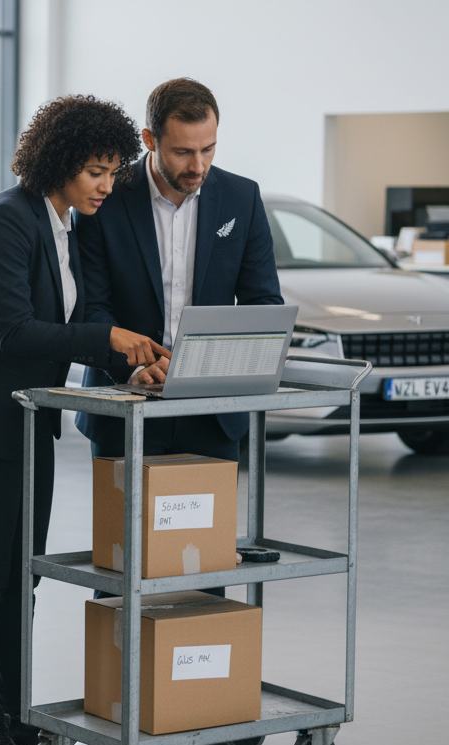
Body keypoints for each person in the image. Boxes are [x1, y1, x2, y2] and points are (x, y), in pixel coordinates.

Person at [0, 95, 167, 745]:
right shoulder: (7, 219)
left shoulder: (70, 227)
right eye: (95, 170)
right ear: (60, 160)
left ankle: (20, 718)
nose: (106, 186)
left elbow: (80, 323)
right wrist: (108, 335)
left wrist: (130, 364)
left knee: (20, 577)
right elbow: (14, 330)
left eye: (114, 172)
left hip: (29, 419)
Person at [76, 78, 283, 462]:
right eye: (183, 152)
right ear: (149, 140)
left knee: (204, 525)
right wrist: (132, 367)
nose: (198, 165)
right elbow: (90, 306)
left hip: (214, 412)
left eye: (209, 149)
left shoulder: (243, 197)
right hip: (124, 402)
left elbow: (264, 302)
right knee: (126, 525)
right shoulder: (104, 198)